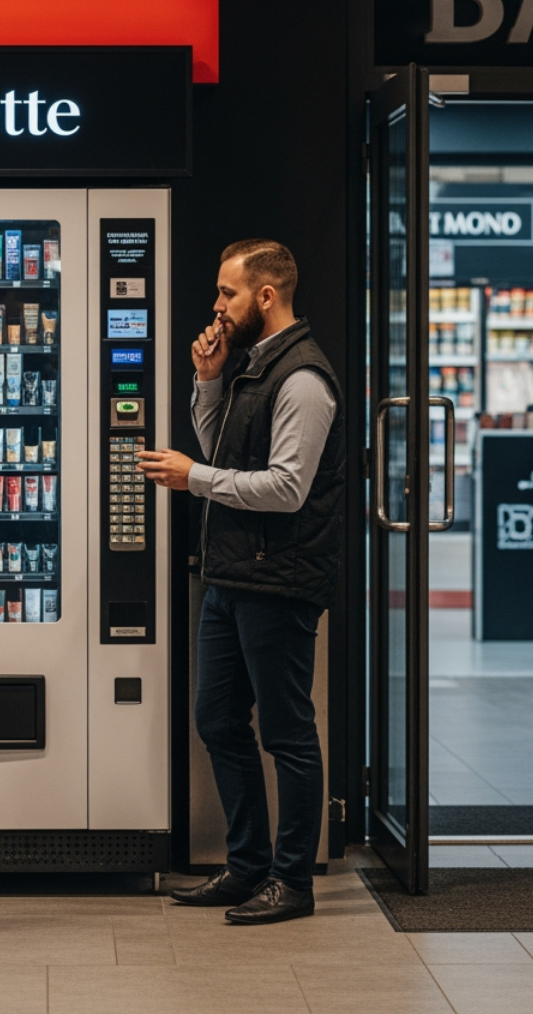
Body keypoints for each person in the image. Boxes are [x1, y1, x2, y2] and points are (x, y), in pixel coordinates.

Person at [138, 239, 344, 924]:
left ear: (265, 296)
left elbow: (286, 489)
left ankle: (293, 882)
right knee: (217, 719)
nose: (216, 306)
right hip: (232, 573)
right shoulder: (254, 366)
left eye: (227, 294)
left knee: (287, 732)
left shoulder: (304, 379)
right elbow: (225, 445)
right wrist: (207, 380)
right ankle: (247, 866)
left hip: (280, 579)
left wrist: (190, 476)